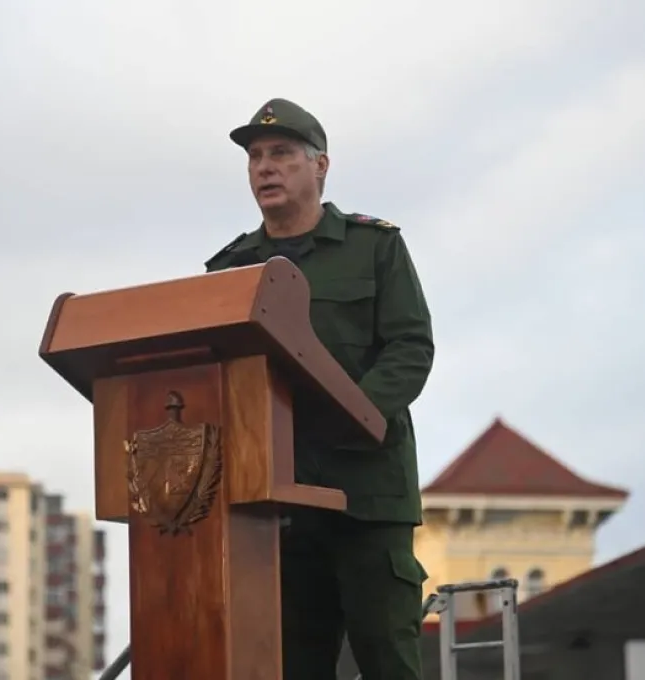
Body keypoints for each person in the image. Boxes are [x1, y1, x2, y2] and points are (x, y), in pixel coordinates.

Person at [205, 98, 435, 680]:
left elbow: (410, 349)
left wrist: (347, 417)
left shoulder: (374, 247)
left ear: (320, 166)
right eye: (255, 157)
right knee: (291, 665)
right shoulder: (230, 270)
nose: (264, 167)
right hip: (276, 503)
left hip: (366, 496)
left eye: (280, 153)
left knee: (387, 656)